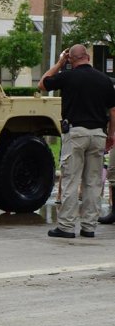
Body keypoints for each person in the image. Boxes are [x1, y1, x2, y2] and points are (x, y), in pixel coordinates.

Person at [39, 44, 115, 238]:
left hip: (75, 133)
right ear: (87, 57)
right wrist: (111, 134)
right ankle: (89, 226)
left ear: (71, 59)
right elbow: (113, 110)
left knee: (71, 180)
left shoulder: (67, 76)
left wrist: (59, 63)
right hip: (98, 134)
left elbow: (42, 84)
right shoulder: (104, 80)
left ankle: (66, 226)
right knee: (93, 182)